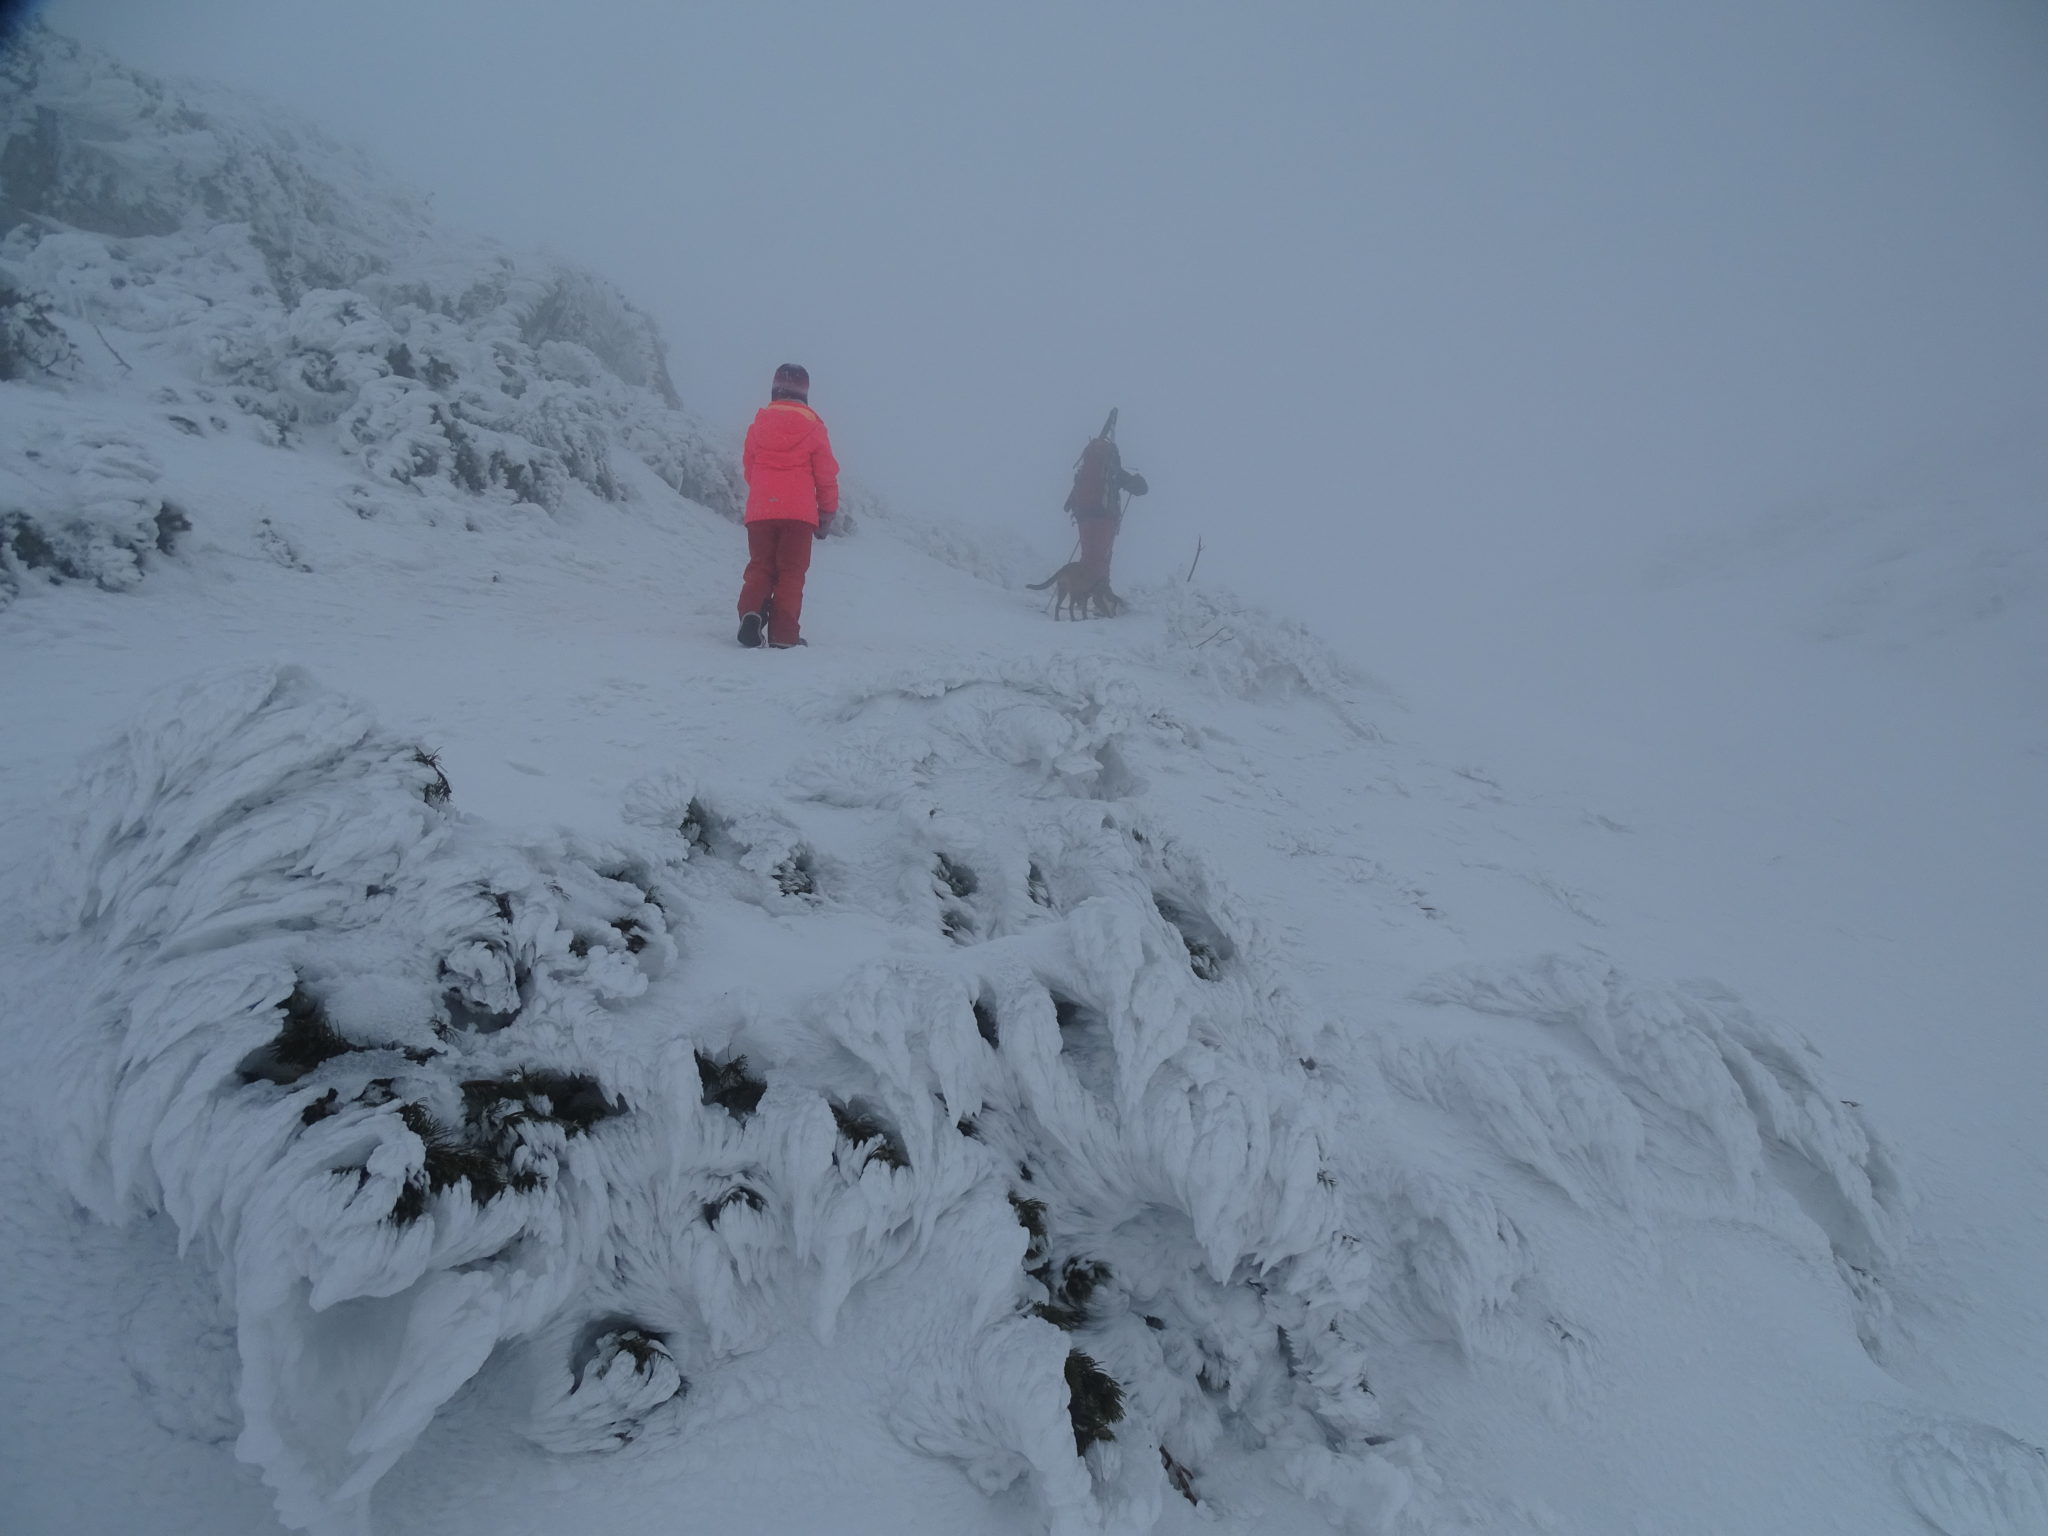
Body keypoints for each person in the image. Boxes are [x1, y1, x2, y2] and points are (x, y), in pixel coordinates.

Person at [737, 363, 840, 649]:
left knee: (760, 566)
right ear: (805, 394)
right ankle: (784, 635)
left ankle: (751, 613)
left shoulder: (758, 424)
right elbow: (826, 475)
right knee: (791, 573)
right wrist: (827, 512)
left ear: (775, 389)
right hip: (798, 514)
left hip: (760, 511)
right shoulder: (814, 427)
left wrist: (765, 494)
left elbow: (749, 467)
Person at [1064, 408, 1147, 591]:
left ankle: (1081, 592)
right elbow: (1141, 489)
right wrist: (1136, 482)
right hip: (1104, 516)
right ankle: (1100, 594)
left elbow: (1070, 500)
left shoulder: (1087, 469)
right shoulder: (1112, 468)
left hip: (1084, 514)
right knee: (1102, 554)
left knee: (1088, 554)